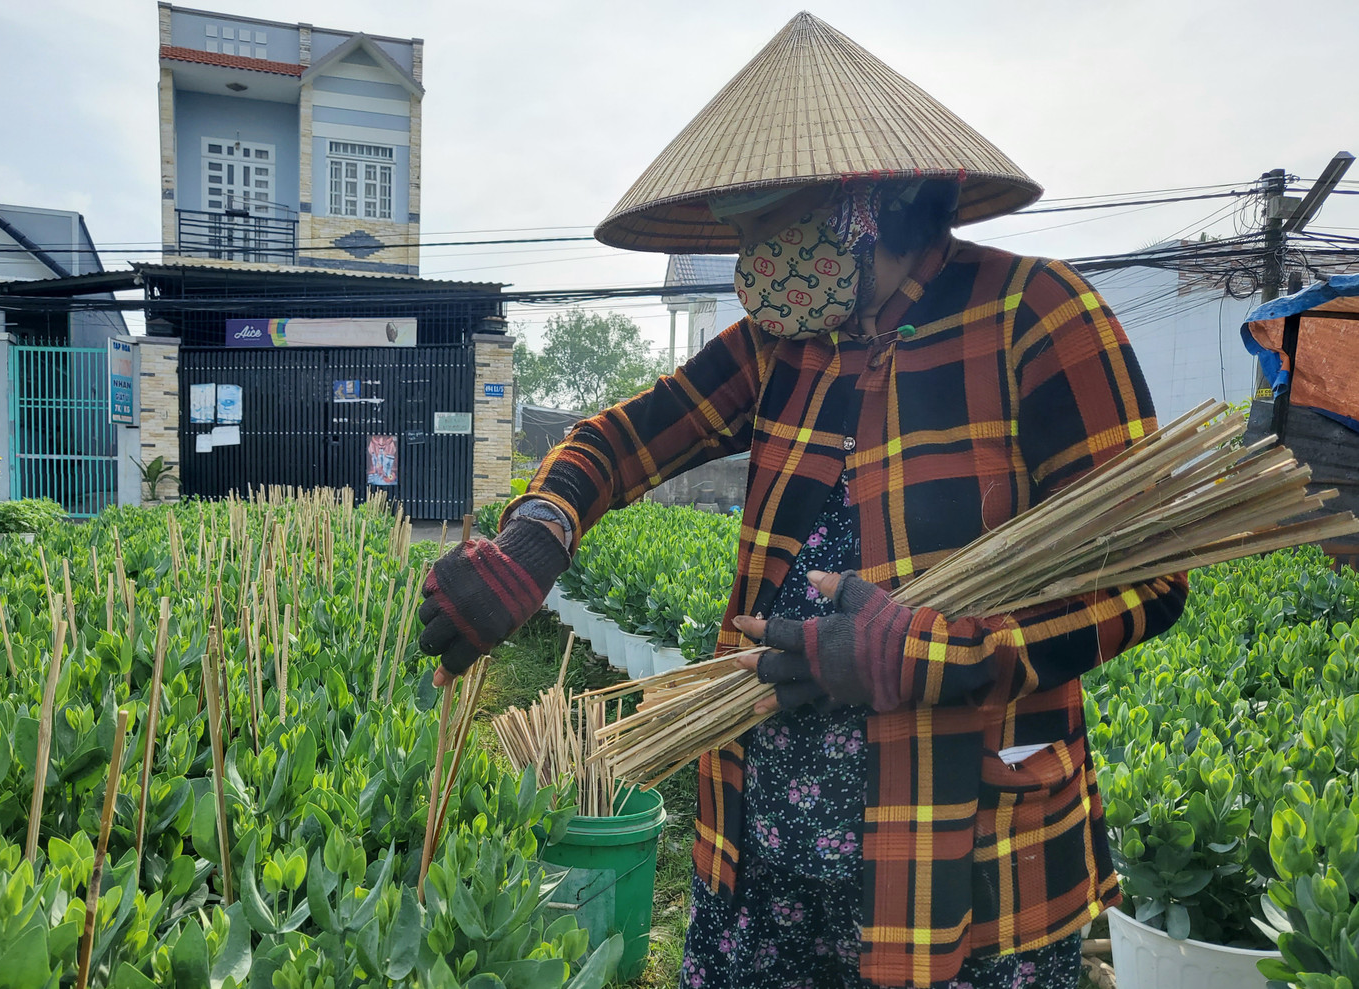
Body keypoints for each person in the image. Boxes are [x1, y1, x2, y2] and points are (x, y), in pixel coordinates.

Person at [418, 13, 1187, 989]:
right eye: (744, 228)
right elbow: (621, 438)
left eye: (775, 222)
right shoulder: (781, 348)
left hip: (964, 866)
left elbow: (1149, 580)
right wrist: (536, 534)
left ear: (877, 199)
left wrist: (928, 655)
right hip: (764, 845)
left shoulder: (1039, 320)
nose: (752, 257)